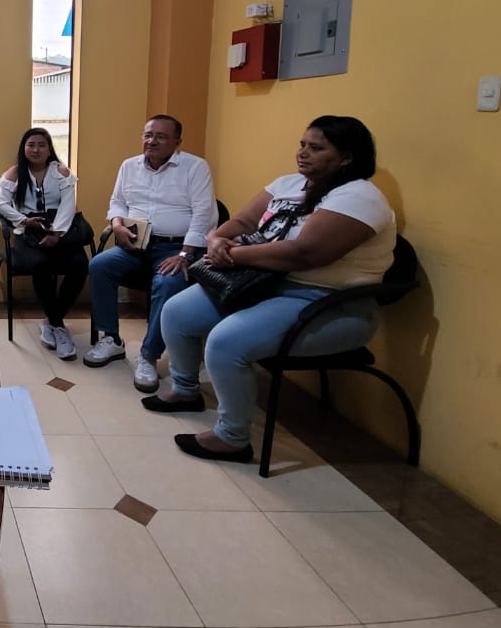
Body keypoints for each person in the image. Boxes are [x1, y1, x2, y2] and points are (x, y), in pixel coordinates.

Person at [146, 116, 395, 464]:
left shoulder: (359, 197)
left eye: (316, 148)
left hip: (326, 303)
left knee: (226, 342)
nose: (302, 153)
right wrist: (217, 238)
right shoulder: (289, 184)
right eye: (302, 144)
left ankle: (233, 438)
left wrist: (230, 255)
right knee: (177, 311)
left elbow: (304, 254)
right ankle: (186, 390)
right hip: (261, 284)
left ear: (347, 157)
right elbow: (244, 221)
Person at [84, 114, 216, 392]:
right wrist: (117, 225)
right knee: (99, 265)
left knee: (169, 282)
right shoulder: (129, 166)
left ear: (177, 142)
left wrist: (184, 254)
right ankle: (111, 339)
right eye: (148, 135)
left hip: (176, 248)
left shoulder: (195, 167)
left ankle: (149, 355)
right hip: (136, 244)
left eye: (161, 137)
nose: (152, 141)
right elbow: (117, 201)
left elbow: (204, 214)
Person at [0, 127, 89, 361]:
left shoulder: (61, 172)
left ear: (49, 149)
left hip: (60, 229)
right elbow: (0, 205)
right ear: (24, 148)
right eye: (31, 145)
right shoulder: (15, 173)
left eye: (41, 145)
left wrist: (56, 233)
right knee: (39, 264)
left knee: (80, 265)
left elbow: (68, 205)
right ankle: (58, 325)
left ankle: (53, 322)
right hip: (29, 231)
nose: (36, 149)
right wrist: (24, 220)